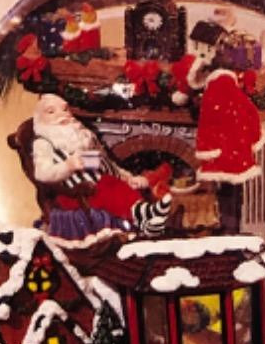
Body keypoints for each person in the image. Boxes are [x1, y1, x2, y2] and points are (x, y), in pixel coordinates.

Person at [29, 92, 169, 240]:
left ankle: (147, 218)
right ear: (40, 119)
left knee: (113, 184)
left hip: (100, 184)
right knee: (108, 188)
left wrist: (128, 178)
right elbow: (41, 174)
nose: (62, 114)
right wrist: (68, 166)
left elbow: (106, 164)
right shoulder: (43, 143)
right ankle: (146, 216)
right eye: (51, 112)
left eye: (65, 109)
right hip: (75, 194)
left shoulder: (84, 136)